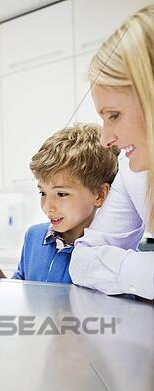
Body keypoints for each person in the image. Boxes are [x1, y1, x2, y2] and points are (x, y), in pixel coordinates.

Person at [69, 4, 154, 300]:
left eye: (114, 115)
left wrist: (129, 269)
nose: (105, 139)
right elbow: (82, 263)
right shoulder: (133, 174)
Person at [12, 124, 118, 282]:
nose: (47, 206)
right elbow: (21, 289)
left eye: (61, 194)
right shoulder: (34, 237)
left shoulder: (114, 254)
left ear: (99, 194)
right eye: (43, 193)